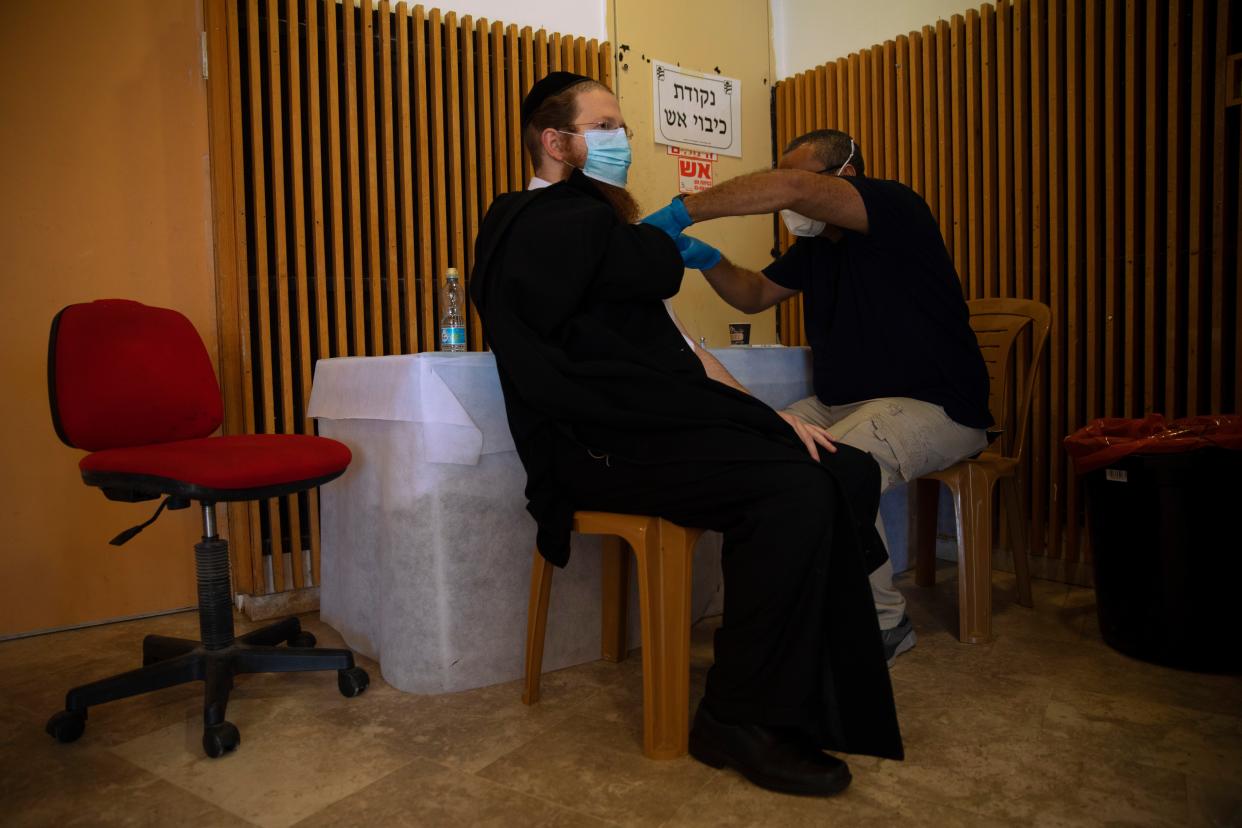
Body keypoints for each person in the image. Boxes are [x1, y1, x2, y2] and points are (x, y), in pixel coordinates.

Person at [471, 73, 902, 796]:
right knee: (788, 492)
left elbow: (685, 356)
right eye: (605, 125)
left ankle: (808, 695)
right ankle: (737, 717)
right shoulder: (531, 224)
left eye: (623, 127)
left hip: (651, 432)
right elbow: (580, 363)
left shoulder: (603, 235)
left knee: (836, 466)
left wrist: (772, 420)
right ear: (555, 141)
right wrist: (649, 247)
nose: (623, 141)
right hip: (597, 445)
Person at [642, 129, 992, 665]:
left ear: (847, 177)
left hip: (937, 405)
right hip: (843, 403)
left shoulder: (895, 207)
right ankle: (794, 607)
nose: (789, 195)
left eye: (804, 178)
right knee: (752, 440)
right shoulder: (815, 249)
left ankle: (883, 623)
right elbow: (755, 294)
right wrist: (706, 258)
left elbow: (787, 189)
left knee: (835, 465)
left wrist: (684, 211)